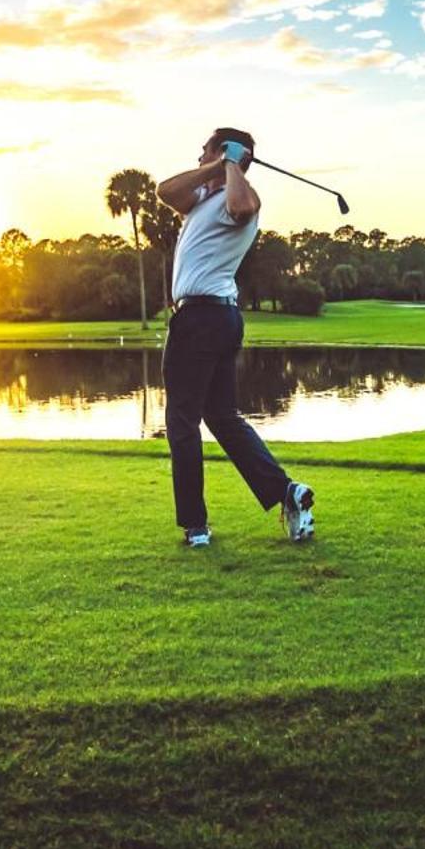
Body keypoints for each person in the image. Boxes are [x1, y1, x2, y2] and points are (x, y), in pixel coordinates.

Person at [155, 128, 316, 549]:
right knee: (221, 417)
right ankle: (286, 492)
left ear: (226, 153)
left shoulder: (241, 198)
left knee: (182, 422)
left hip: (202, 319)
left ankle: (196, 527)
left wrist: (231, 163)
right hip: (217, 319)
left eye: (206, 149)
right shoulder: (201, 200)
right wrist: (217, 164)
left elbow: (242, 205)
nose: (198, 156)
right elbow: (164, 191)